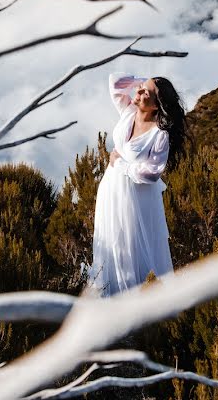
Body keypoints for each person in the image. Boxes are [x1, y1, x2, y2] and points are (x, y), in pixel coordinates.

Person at [86, 72, 189, 297]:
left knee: (132, 247)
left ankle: (138, 304)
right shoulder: (129, 111)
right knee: (112, 242)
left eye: (146, 93)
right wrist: (146, 81)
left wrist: (121, 164)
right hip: (111, 191)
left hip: (136, 198)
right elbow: (114, 82)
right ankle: (110, 300)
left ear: (155, 105)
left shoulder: (159, 134)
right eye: (140, 88)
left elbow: (152, 173)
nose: (139, 92)